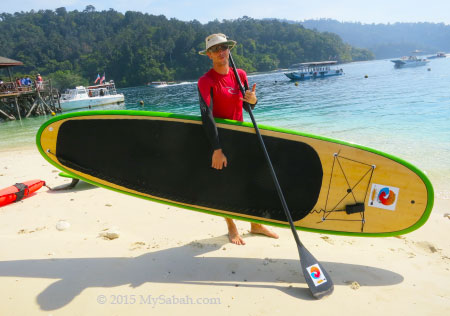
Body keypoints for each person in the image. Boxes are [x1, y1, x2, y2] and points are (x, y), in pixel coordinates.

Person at [197, 33, 279, 245]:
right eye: (215, 49)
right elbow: (206, 115)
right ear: (209, 55)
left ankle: (255, 224)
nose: (221, 52)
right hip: (220, 139)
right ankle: (231, 226)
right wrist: (216, 148)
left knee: (252, 181)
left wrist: (253, 100)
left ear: (229, 50)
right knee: (226, 185)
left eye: (224, 47)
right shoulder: (206, 81)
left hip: (242, 136)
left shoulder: (240, 74)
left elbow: (246, 106)